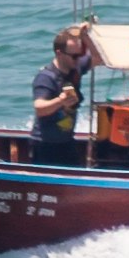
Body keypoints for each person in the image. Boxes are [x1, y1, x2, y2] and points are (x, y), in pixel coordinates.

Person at [28, 18, 103, 165]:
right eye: (74, 56)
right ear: (59, 53)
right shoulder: (46, 77)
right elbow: (39, 108)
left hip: (67, 141)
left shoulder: (75, 67)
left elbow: (98, 58)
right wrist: (60, 101)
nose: (78, 59)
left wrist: (85, 37)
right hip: (46, 145)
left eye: (80, 55)